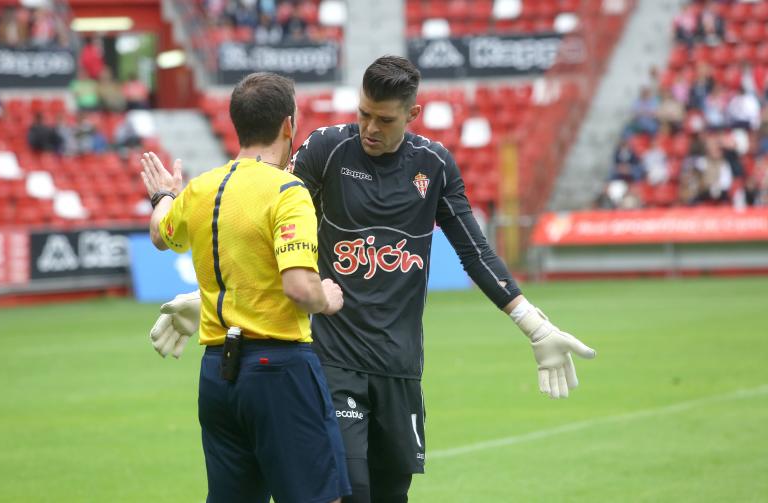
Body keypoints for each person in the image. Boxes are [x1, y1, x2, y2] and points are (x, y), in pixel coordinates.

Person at [150, 56, 596, 502]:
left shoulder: (434, 165)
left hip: (400, 366)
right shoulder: (325, 149)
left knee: (389, 495)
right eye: (364, 113)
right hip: (332, 359)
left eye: (384, 119)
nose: (370, 128)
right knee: (350, 492)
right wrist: (210, 299)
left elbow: (474, 253)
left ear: (412, 115)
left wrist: (536, 327)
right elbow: (263, 221)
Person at [140, 71, 351, 503]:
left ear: (237, 123)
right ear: (288, 125)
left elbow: (161, 235)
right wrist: (326, 299)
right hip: (280, 369)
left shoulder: (199, 189)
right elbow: (298, 285)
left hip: (218, 374)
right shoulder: (287, 191)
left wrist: (163, 195)